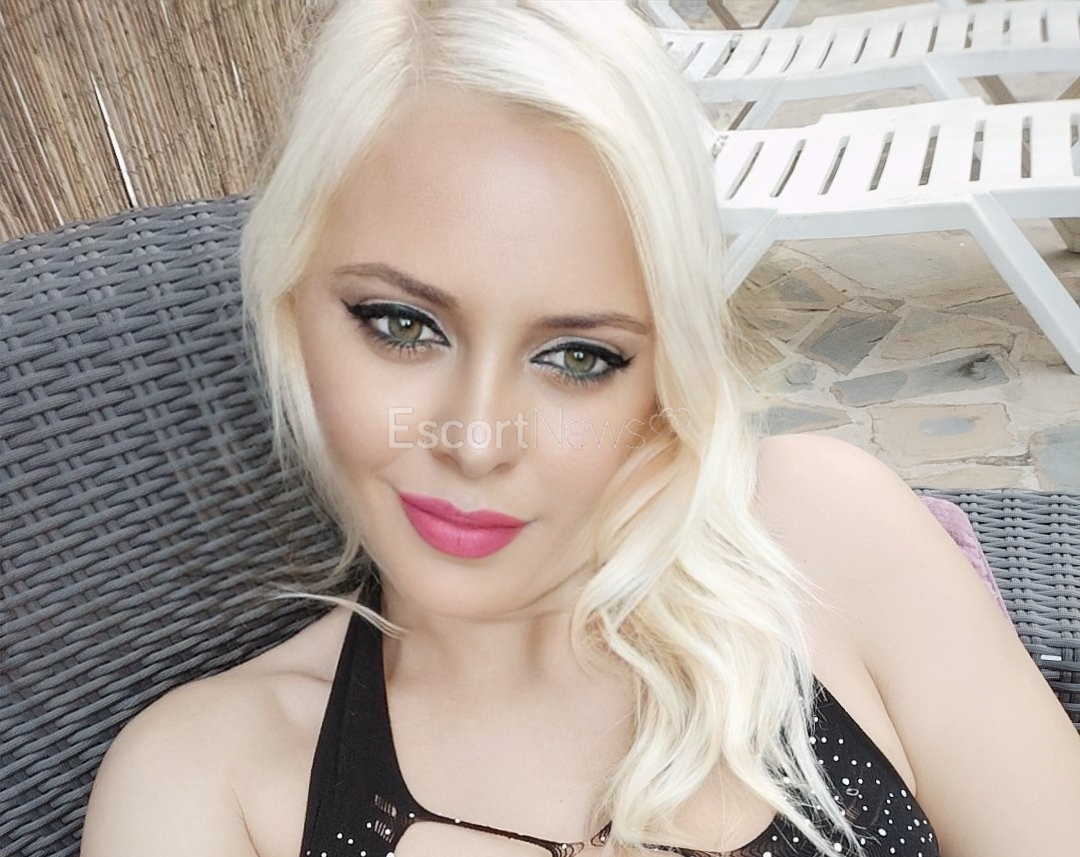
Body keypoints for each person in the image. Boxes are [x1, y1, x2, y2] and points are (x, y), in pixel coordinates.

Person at [79, 2, 1080, 856]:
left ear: (664, 371)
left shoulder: (825, 537)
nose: (477, 441)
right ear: (292, 304)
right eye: (403, 324)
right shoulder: (206, 784)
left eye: (577, 356)